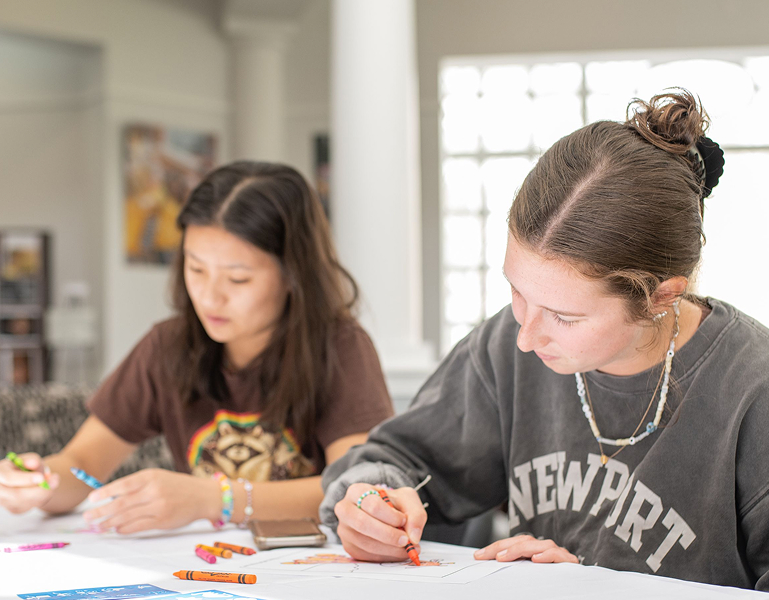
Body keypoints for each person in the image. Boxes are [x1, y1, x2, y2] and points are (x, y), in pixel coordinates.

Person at [319, 90, 769, 592]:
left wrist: (595, 587)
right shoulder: (502, 344)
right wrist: (372, 504)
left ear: (661, 296)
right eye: (516, 291)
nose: (527, 337)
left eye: (564, 316)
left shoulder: (753, 389)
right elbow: (395, 461)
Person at [0, 161, 394, 533]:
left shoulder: (341, 349)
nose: (209, 297)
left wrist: (215, 499)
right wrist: (38, 482)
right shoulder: (168, 346)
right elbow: (82, 467)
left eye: (238, 279)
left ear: (294, 275)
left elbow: (354, 489)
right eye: (195, 268)